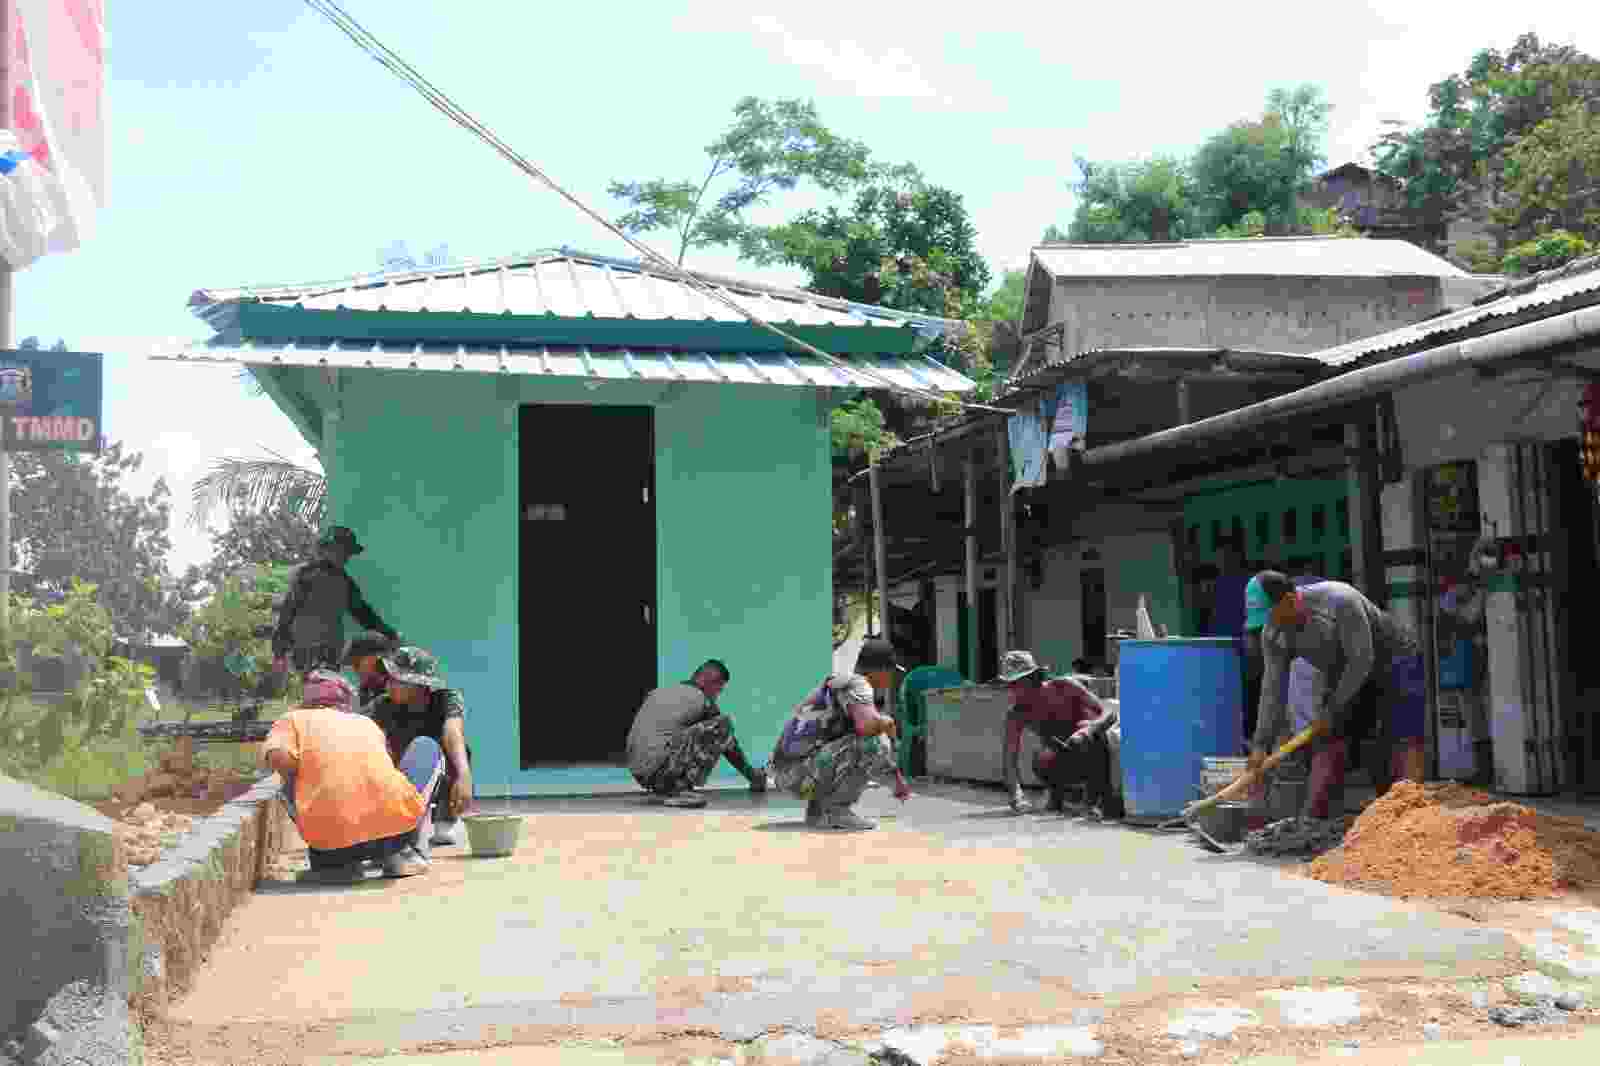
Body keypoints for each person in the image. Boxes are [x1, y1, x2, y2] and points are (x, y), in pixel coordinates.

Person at [1245, 572, 1427, 820]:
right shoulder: (1273, 634)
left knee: (1400, 739)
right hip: (1342, 670)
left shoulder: (1340, 601)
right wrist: (1260, 746)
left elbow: (1361, 661)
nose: (1270, 625)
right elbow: (1272, 691)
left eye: (1271, 615)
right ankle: (1312, 822)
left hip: (1394, 661)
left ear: (1290, 600)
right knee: (1329, 739)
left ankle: (1412, 817)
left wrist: (1330, 710)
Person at [262, 670, 444, 882]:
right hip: (394, 836)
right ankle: (402, 855)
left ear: (306, 701)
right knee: (426, 747)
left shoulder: (291, 719)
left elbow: (278, 758)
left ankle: (337, 867)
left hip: (332, 847)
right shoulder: (365, 723)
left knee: (285, 778)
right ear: (347, 701)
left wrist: (311, 768)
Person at [769, 637, 912, 831]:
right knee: (875, 739)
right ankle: (838, 811)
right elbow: (867, 729)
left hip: (787, 774)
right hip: (798, 775)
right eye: (891, 672)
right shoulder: (859, 685)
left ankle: (818, 813)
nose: (892, 679)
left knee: (851, 739)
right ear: (880, 670)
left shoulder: (838, 683)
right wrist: (896, 778)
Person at [362, 646, 475, 847]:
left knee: (460, 751)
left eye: (396, 680)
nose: (388, 685)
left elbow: (452, 732)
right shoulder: (382, 706)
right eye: (389, 679)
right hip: (396, 779)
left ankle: (444, 822)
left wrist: (464, 774)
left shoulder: (446, 700)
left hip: (435, 773)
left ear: (418, 684)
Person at [995, 650, 1122, 818]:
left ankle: (1091, 802)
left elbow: (1109, 713)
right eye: (1010, 686)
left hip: (1095, 753)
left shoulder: (1064, 686)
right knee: (1040, 758)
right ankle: (1057, 795)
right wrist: (1017, 798)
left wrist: (1089, 729)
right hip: (1062, 758)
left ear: (1033, 679)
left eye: (1017, 684)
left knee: (1092, 738)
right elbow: (1009, 760)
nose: (1013, 691)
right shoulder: (1017, 713)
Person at [626, 660, 767, 808]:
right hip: (660, 770)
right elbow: (730, 746)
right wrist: (752, 776)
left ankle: (665, 788)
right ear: (711, 683)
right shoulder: (701, 699)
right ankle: (678, 789)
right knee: (722, 725)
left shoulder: (659, 692)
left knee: (679, 734)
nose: (717, 696)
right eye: (719, 690)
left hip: (640, 773)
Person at [272, 526, 399, 676]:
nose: (346, 558)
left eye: (348, 553)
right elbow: (364, 614)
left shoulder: (327, 578)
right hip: (312, 653)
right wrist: (389, 633)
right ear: (328, 549)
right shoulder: (316, 577)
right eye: (344, 551)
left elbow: (364, 614)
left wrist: (389, 633)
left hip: (322, 653)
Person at [344, 631, 401, 711]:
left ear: (375, 659)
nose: (354, 670)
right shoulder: (366, 690)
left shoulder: (399, 688)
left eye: (357, 664)